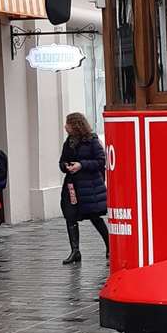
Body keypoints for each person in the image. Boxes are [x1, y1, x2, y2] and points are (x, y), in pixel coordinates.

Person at [59, 113, 109, 264]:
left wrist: (82, 165)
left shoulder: (91, 141)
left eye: (67, 123)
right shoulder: (69, 142)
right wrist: (66, 167)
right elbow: (62, 161)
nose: (65, 126)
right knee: (70, 216)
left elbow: (100, 161)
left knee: (94, 216)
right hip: (72, 185)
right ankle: (75, 251)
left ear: (75, 125)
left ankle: (110, 246)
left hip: (89, 185)